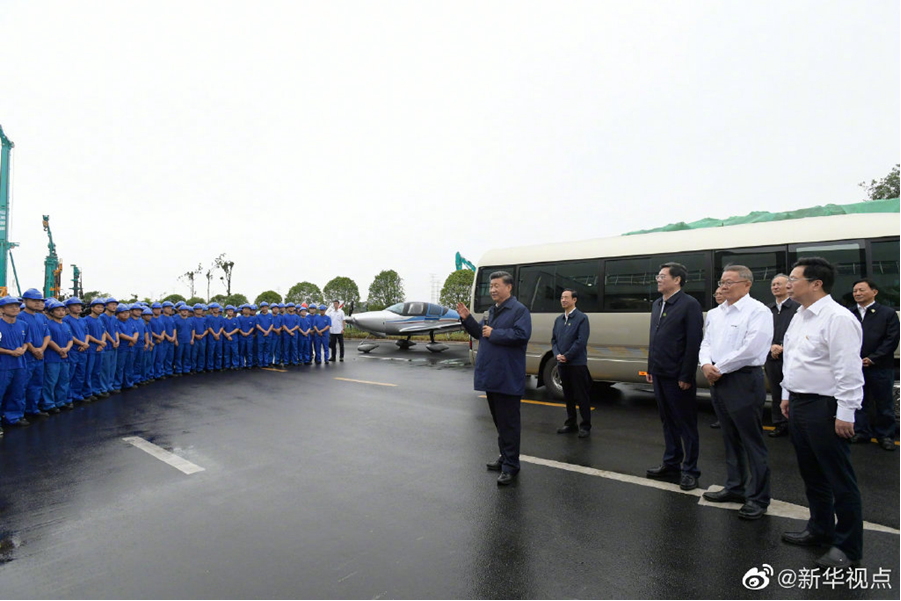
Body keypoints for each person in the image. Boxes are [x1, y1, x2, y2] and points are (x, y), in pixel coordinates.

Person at [780, 257, 865, 569]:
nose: (788, 283)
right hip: (799, 403)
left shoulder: (838, 318)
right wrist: (787, 394)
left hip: (825, 406)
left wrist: (846, 412)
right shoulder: (800, 316)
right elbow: (793, 359)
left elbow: (848, 368)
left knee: (838, 478)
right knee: (812, 473)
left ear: (816, 283)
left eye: (794, 278)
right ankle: (820, 529)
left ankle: (848, 548)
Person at [699, 265, 773, 520]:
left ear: (747, 284)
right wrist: (706, 364)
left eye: (730, 282)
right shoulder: (716, 313)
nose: (724, 286)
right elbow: (706, 342)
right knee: (729, 437)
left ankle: (758, 497)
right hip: (718, 379)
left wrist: (719, 368)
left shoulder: (758, 311)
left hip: (743, 380)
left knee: (751, 440)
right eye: (722, 282)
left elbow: (752, 349)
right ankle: (735, 487)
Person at [457, 271, 532, 485]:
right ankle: (504, 457)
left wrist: (495, 333)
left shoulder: (519, 311)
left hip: (507, 376)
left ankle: (511, 466)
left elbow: (522, 335)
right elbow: (482, 334)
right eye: (490, 286)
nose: (492, 290)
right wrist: (467, 319)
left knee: (509, 424)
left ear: (509, 287)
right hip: (492, 375)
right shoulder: (491, 311)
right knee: (500, 422)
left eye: (496, 285)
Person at [645, 263, 704, 490]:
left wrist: (686, 374)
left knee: (685, 423)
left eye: (662, 276)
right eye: (658, 276)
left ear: (677, 280)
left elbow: (693, 342)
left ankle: (690, 470)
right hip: (659, 372)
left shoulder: (689, 304)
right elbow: (654, 339)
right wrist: (651, 367)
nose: (658, 280)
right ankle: (671, 463)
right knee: (667, 421)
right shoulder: (657, 304)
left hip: (678, 376)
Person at [849, 278, 899, 451]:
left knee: (883, 403)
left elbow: (892, 339)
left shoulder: (887, 313)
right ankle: (861, 432)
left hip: (880, 366)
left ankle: (885, 435)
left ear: (874, 292)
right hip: (856, 366)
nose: (857, 293)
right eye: (855, 291)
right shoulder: (849, 313)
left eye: (861, 290)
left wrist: (873, 358)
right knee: (859, 401)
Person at [552, 289, 592, 438]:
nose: (563, 300)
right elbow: (554, 340)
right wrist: (557, 354)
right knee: (567, 395)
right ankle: (571, 423)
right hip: (562, 364)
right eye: (562, 297)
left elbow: (581, 341)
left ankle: (585, 425)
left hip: (577, 364)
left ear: (574, 300)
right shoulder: (559, 319)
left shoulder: (582, 318)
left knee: (581, 395)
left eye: (566, 297)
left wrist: (567, 356)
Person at [765, 274, 799, 438]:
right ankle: (779, 423)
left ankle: (795, 424)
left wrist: (784, 347)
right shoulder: (767, 310)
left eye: (779, 284)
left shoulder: (797, 308)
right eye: (773, 284)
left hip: (792, 357)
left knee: (793, 391)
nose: (775, 287)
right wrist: (771, 346)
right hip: (772, 357)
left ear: (788, 286)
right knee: (776, 392)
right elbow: (761, 333)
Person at [19, 288, 51, 420]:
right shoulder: (20, 317)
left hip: (40, 355)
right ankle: (20, 413)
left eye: (39, 301)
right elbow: (23, 337)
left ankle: (33, 409)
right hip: (27, 356)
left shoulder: (41, 317)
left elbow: (47, 334)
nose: (37, 303)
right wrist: (33, 350)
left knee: (37, 384)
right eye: (33, 300)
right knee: (22, 385)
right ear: (25, 301)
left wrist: (42, 349)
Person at [0, 295, 31, 431]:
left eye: (17, 306)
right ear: (2, 309)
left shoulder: (23, 325)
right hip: (3, 364)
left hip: (20, 364)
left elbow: (26, 341)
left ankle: (14, 416)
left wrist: (23, 349)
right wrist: (10, 352)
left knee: (18, 391)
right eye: (10, 306)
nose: (15, 308)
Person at [43, 300, 74, 411]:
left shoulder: (66, 325)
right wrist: (59, 350)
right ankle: (49, 404)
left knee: (64, 380)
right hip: (52, 357)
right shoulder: (48, 324)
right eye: (58, 310)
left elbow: (70, 339)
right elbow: (49, 339)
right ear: (51, 312)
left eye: (63, 310)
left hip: (65, 356)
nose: (61, 312)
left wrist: (67, 349)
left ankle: (61, 401)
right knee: (51, 381)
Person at [63, 297, 91, 404]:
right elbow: (69, 335)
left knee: (80, 373)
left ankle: (77, 395)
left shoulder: (82, 320)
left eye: (79, 305)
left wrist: (85, 344)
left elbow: (87, 333)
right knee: (70, 374)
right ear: (69, 307)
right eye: (75, 305)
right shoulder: (66, 320)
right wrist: (82, 344)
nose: (78, 307)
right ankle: (68, 397)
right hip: (73, 350)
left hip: (83, 350)